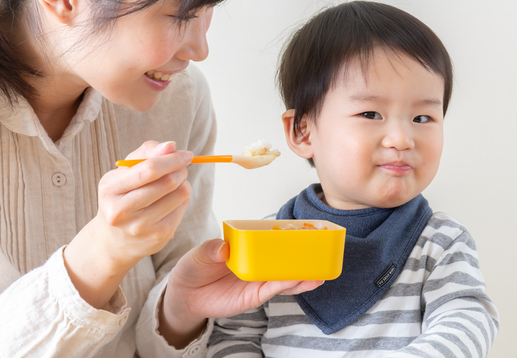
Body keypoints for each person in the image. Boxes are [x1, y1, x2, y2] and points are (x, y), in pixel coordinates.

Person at [0, 0, 322, 357]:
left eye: (207, 9)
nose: (200, 50)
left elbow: (161, 341)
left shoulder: (178, 98)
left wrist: (181, 305)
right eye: (182, 15)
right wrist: (102, 252)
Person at [207, 1, 500, 357]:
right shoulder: (266, 242)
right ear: (303, 132)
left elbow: (467, 322)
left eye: (422, 118)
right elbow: (231, 338)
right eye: (371, 113)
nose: (402, 139)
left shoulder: (439, 242)